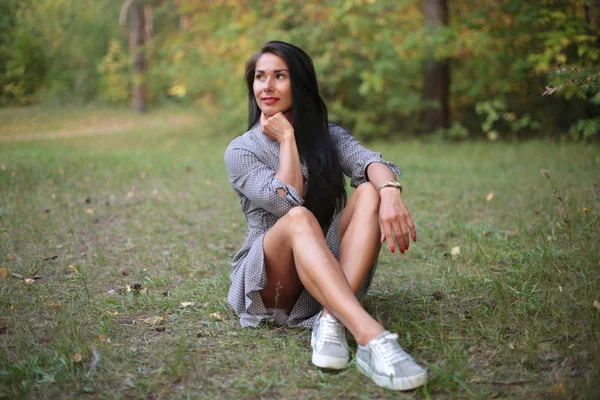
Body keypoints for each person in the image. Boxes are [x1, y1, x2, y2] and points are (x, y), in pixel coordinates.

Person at [224, 41, 426, 391]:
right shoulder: (242, 150)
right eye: (260, 77)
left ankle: (330, 319)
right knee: (300, 218)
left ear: (299, 84)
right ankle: (371, 337)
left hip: (320, 265)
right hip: (271, 278)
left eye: (279, 76)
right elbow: (288, 204)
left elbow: (369, 162)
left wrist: (390, 192)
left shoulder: (327, 136)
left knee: (367, 192)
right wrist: (286, 139)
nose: (267, 86)